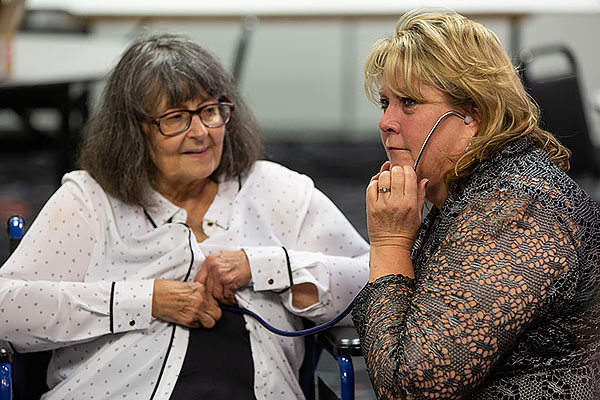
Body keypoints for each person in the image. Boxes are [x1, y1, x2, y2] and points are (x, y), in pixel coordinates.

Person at [0, 33, 369, 399]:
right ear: (133, 130)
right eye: (176, 118)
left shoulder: (277, 191)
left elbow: (380, 285)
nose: (201, 134)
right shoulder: (89, 199)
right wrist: (147, 301)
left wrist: (268, 267)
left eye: (210, 111)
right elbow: (7, 310)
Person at [351, 9, 600, 399]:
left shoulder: (519, 208)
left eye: (409, 103)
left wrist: (390, 243)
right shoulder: (477, 190)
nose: (387, 122)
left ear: (473, 114)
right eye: (385, 103)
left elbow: (410, 388)